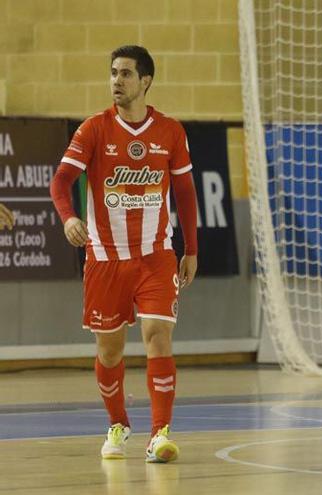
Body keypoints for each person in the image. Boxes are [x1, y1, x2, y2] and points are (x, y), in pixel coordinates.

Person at [50, 45, 199, 462]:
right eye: (113, 73)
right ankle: (117, 424)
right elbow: (61, 182)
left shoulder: (170, 132)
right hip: (105, 258)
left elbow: (185, 193)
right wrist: (68, 218)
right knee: (110, 351)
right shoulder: (94, 129)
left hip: (156, 256)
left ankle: (159, 434)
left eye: (126, 74)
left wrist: (191, 248)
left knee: (158, 336)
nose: (117, 80)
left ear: (146, 81)